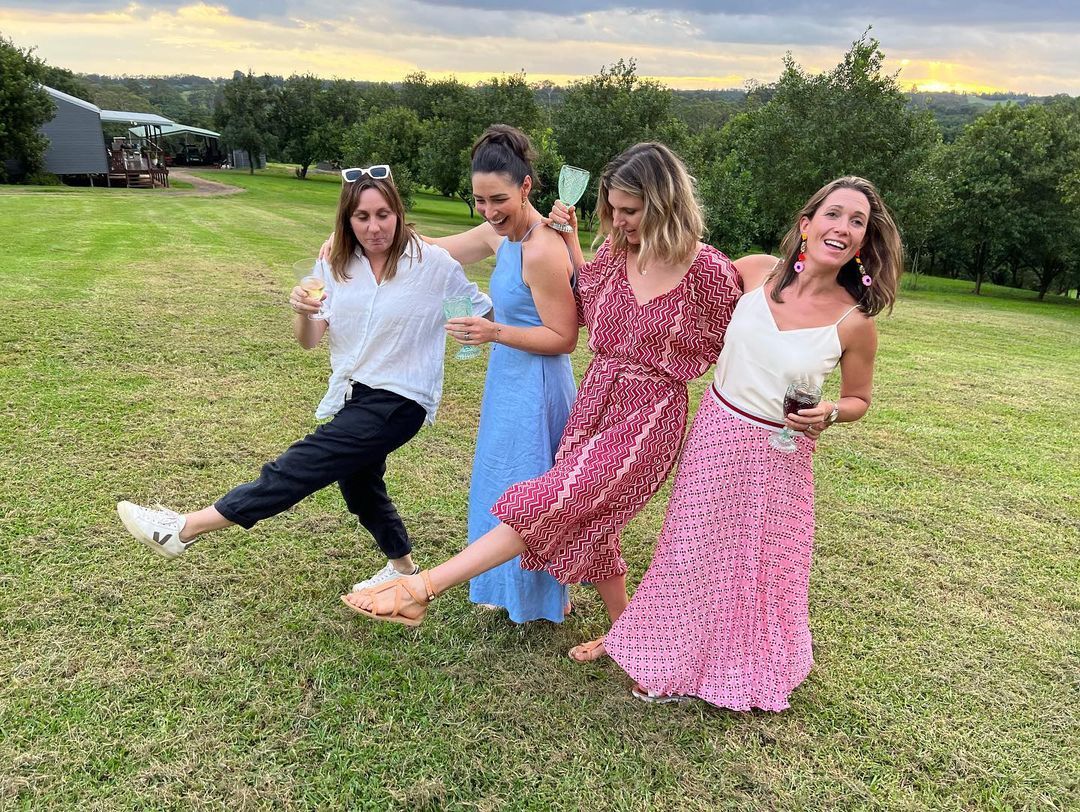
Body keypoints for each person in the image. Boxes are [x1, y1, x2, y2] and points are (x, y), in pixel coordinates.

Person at [341, 143, 742, 660]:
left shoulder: (707, 270)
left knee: (553, 498)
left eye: (630, 210)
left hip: (649, 414)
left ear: (666, 203)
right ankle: (624, 634)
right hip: (595, 401)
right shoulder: (617, 252)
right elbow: (591, 304)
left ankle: (421, 589)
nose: (619, 222)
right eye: (613, 210)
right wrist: (574, 244)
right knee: (593, 524)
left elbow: (752, 324)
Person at [604, 176, 903, 709]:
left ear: (863, 241)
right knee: (691, 550)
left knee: (755, 565)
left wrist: (831, 412)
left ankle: (740, 664)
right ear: (807, 224)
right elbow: (674, 260)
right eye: (834, 214)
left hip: (779, 453)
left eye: (857, 222)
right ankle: (667, 659)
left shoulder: (854, 323)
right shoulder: (755, 271)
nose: (843, 227)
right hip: (716, 433)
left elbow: (859, 399)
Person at [117, 167, 491, 592]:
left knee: (302, 464)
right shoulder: (334, 264)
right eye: (362, 216)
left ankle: (184, 528)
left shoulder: (432, 264)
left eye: (383, 214)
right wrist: (302, 311)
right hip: (355, 392)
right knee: (359, 485)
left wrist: (512, 330)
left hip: (402, 397)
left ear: (398, 214)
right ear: (347, 219)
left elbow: (481, 309)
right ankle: (403, 568)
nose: (374, 227)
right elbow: (310, 340)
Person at [428, 125, 579, 623]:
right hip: (507, 378)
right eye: (479, 200)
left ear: (526, 187)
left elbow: (564, 337)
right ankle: (507, 586)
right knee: (501, 479)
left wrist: (493, 331)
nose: (489, 211)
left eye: (499, 199)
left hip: (538, 384)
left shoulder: (542, 248)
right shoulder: (499, 235)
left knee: (530, 486)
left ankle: (543, 595)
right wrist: (367, 236)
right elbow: (436, 248)